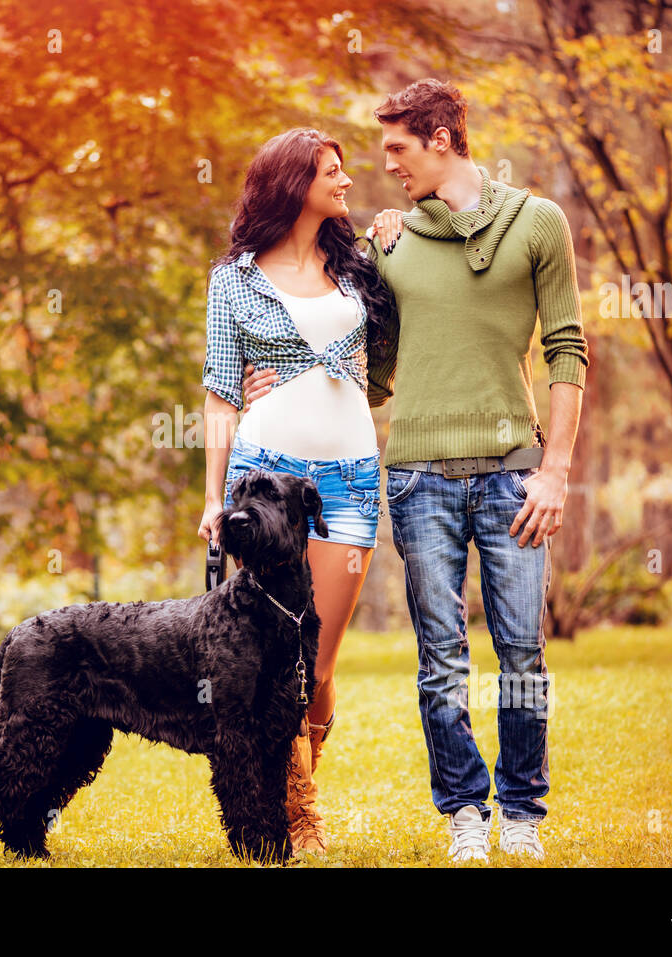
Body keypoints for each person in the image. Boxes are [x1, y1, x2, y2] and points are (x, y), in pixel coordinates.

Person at [243, 79, 588, 863]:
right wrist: (268, 383)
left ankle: (523, 812)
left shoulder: (539, 224)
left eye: (397, 147)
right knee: (440, 656)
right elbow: (363, 358)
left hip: (514, 475)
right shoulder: (388, 244)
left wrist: (556, 470)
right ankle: (466, 809)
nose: (385, 166)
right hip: (416, 478)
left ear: (440, 137)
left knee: (524, 653)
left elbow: (568, 348)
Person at [198, 127, 398, 855]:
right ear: (293, 184)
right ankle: (296, 815)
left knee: (319, 666)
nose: (347, 182)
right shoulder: (235, 279)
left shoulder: (361, 263)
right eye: (332, 172)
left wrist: (401, 226)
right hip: (266, 480)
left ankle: (293, 792)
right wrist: (215, 500)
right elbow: (221, 397)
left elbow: (385, 366)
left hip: (349, 477)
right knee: (274, 658)